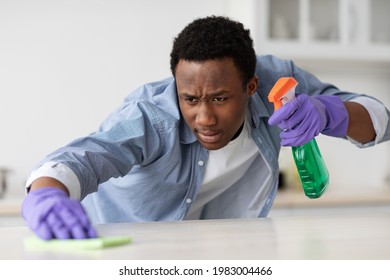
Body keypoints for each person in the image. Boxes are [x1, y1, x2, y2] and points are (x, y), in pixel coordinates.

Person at [22, 15, 390, 240]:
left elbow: (380, 119)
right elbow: (85, 157)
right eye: (190, 99)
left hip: (227, 248)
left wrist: (331, 113)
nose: (204, 118)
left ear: (251, 87)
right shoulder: (152, 115)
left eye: (219, 98)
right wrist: (45, 195)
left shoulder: (280, 84)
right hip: (135, 252)